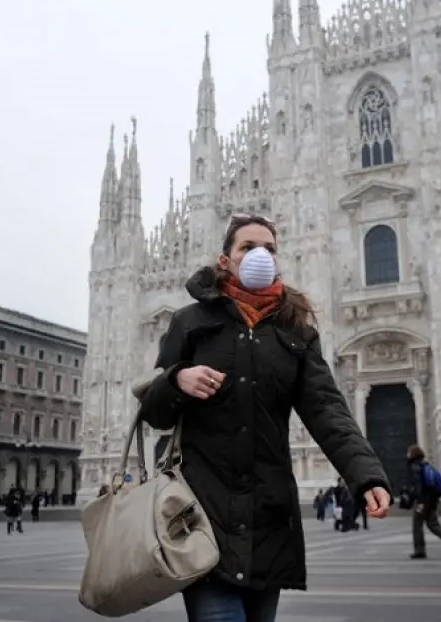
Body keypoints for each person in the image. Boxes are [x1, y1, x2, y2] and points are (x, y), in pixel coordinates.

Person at [136, 213, 391, 622]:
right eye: (248, 248)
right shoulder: (192, 321)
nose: (260, 256)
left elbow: (326, 408)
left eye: (269, 249)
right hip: (204, 516)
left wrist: (367, 474)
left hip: (267, 517)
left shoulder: (294, 328)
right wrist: (177, 380)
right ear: (226, 259)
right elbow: (153, 412)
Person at [406, 444, 441, 560]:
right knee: (433, 523)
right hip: (431, 500)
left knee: (417, 524)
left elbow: (418, 486)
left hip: (422, 501)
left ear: (413, 454)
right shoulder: (425, 465)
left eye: (409, 452)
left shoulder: (415, 467)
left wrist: (415, 499)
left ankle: (419, 550)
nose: (407, 454)